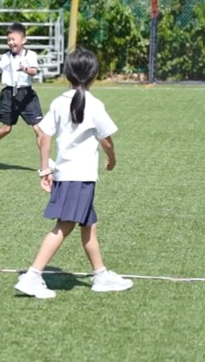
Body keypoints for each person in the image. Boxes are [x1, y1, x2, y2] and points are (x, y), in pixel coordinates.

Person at [14, 48, 133, 299]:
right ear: (94, 75)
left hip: (67, 175)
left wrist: (45, 169)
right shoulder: (95, 104)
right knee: (64, 226)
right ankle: (33, 276)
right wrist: (113, 160)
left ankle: (101, 275)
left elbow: (44, 135)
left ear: (68, 74)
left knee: (89, 223)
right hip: (80, 177)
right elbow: (107, 141)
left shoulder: (59, 102)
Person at [0, 22, 52, 168]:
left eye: (14, 39)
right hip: (9, 94)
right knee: (6, 128)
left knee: (39, 129)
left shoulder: (31, 55)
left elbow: (34, 71)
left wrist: (24, 69)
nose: (11, 42)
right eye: (9, 40)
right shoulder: (5, 57)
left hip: (27, 95)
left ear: (23, 40)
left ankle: (46, 163)